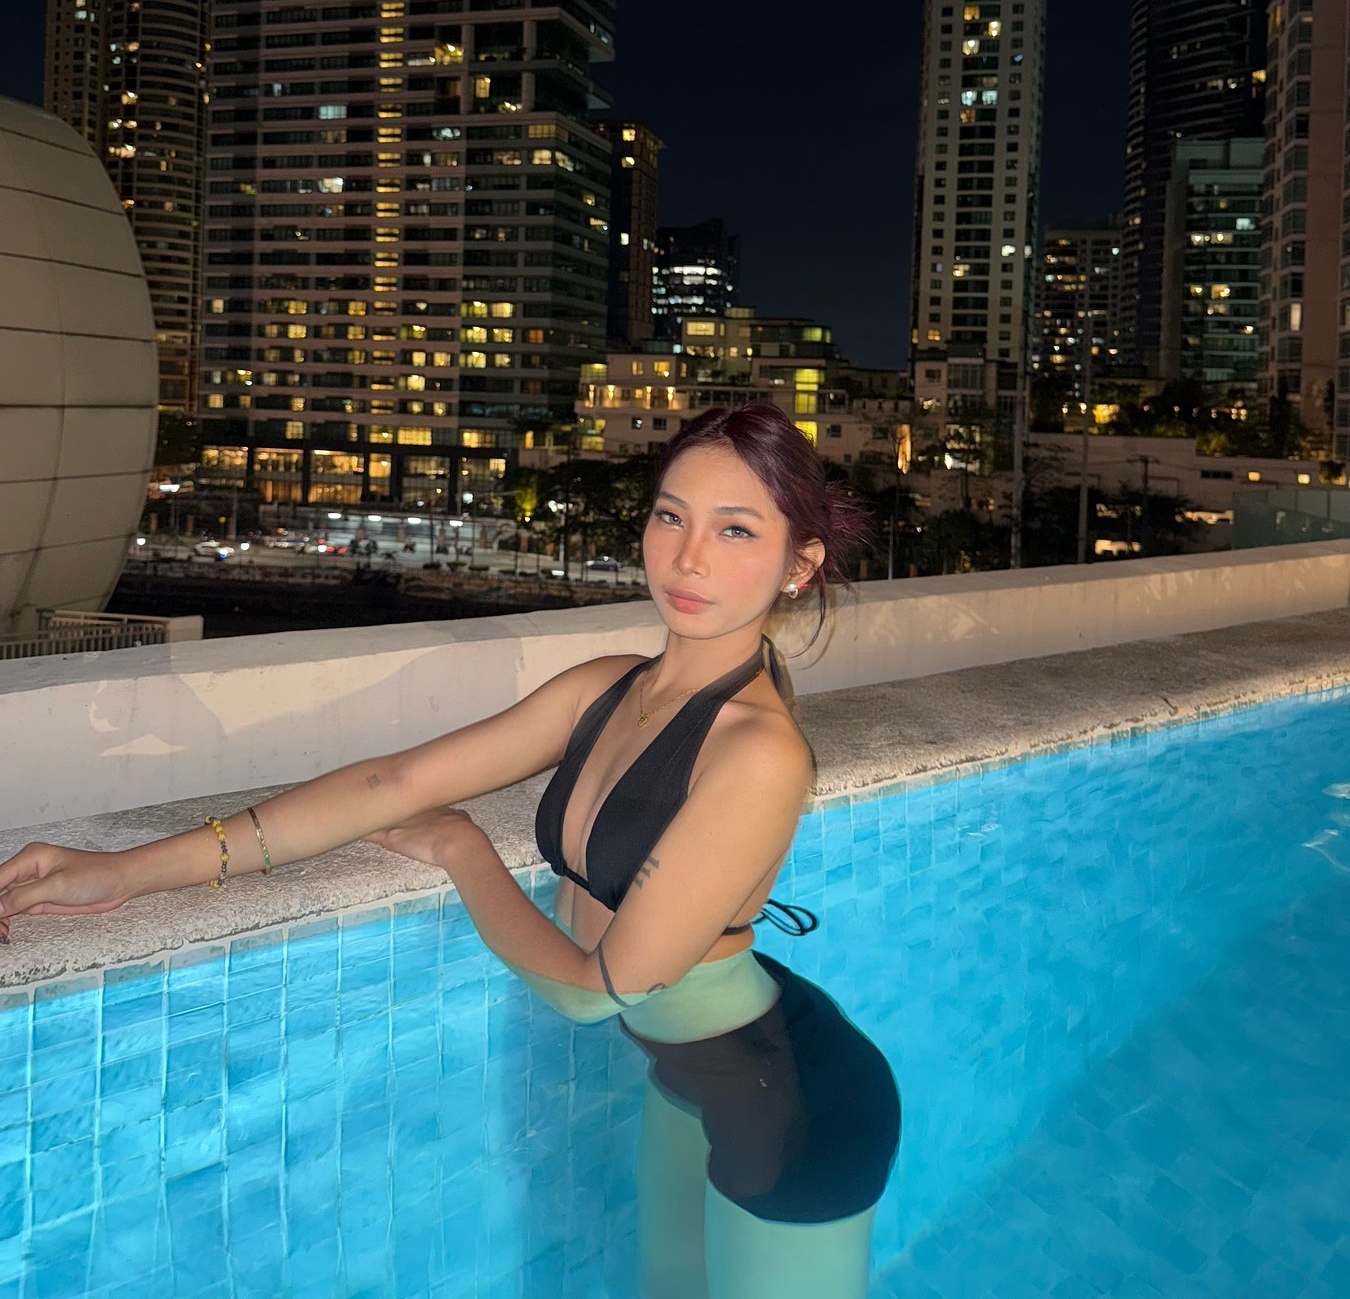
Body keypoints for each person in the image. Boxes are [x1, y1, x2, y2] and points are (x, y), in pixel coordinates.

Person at [0, 404, 900, 1298]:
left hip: (797, 1109)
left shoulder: (759, 752)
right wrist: (123, 869)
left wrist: (466, 849)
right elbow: (392, 783)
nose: (688, 557)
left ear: (799, 564)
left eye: (735, 529)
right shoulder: (606, 689)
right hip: (693, 1076)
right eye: (672, 515)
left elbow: (595, 992)